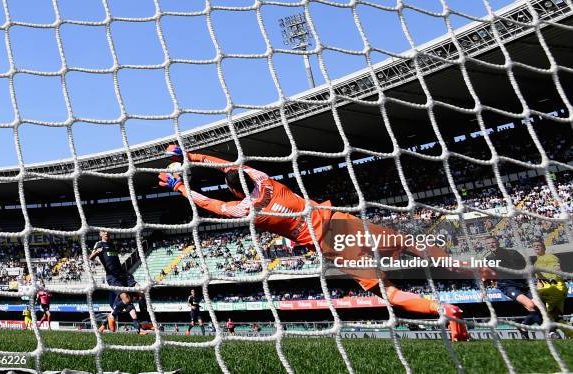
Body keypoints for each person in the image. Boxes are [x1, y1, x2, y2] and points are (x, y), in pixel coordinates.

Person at [158, 145, 469, 341]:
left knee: (389, 292)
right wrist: (193, 156)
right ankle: (456, 263)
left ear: (237, 192)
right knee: (404, 241)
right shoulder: (266, 179)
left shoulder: (244, 208)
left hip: (332, 245)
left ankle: (439, 308)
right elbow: (229, 166)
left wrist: (180, 186)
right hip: (339, 219)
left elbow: (207, 203)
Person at [89, 230, 148, 335]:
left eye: (107, 232)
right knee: (127, 302)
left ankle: (144, 322)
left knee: (141, 292)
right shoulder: (99, 244)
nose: (106, 233)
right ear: (100, 234)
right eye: (103, 232)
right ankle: (138, 328)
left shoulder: (113, 245)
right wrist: (96, 253)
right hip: (113, 278)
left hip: (123, 275)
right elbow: (91, 258)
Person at [483, 236, 538, 339]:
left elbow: (526, 266)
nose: (492, 244)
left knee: (537, 306)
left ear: (498, 242)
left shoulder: (513, 253)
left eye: (493, 242)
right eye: (489, 243)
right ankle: (551, 333)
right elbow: (487, 274)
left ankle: (523, 327)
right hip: (507, 285)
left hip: (523, 284)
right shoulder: (488, 259)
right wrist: (484, 289)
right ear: (487, 246)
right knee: (531, 305)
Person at [532, 238, 573, 338]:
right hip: (549, 290)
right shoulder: (536, 263)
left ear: (544, 247)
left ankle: (551, 332)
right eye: (534, 245)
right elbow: (541, 279)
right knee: (555, 317)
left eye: (539, 245)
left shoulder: (550, 257)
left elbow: (557, 268)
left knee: (545, 312)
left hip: (556, 289)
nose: (536, 246)